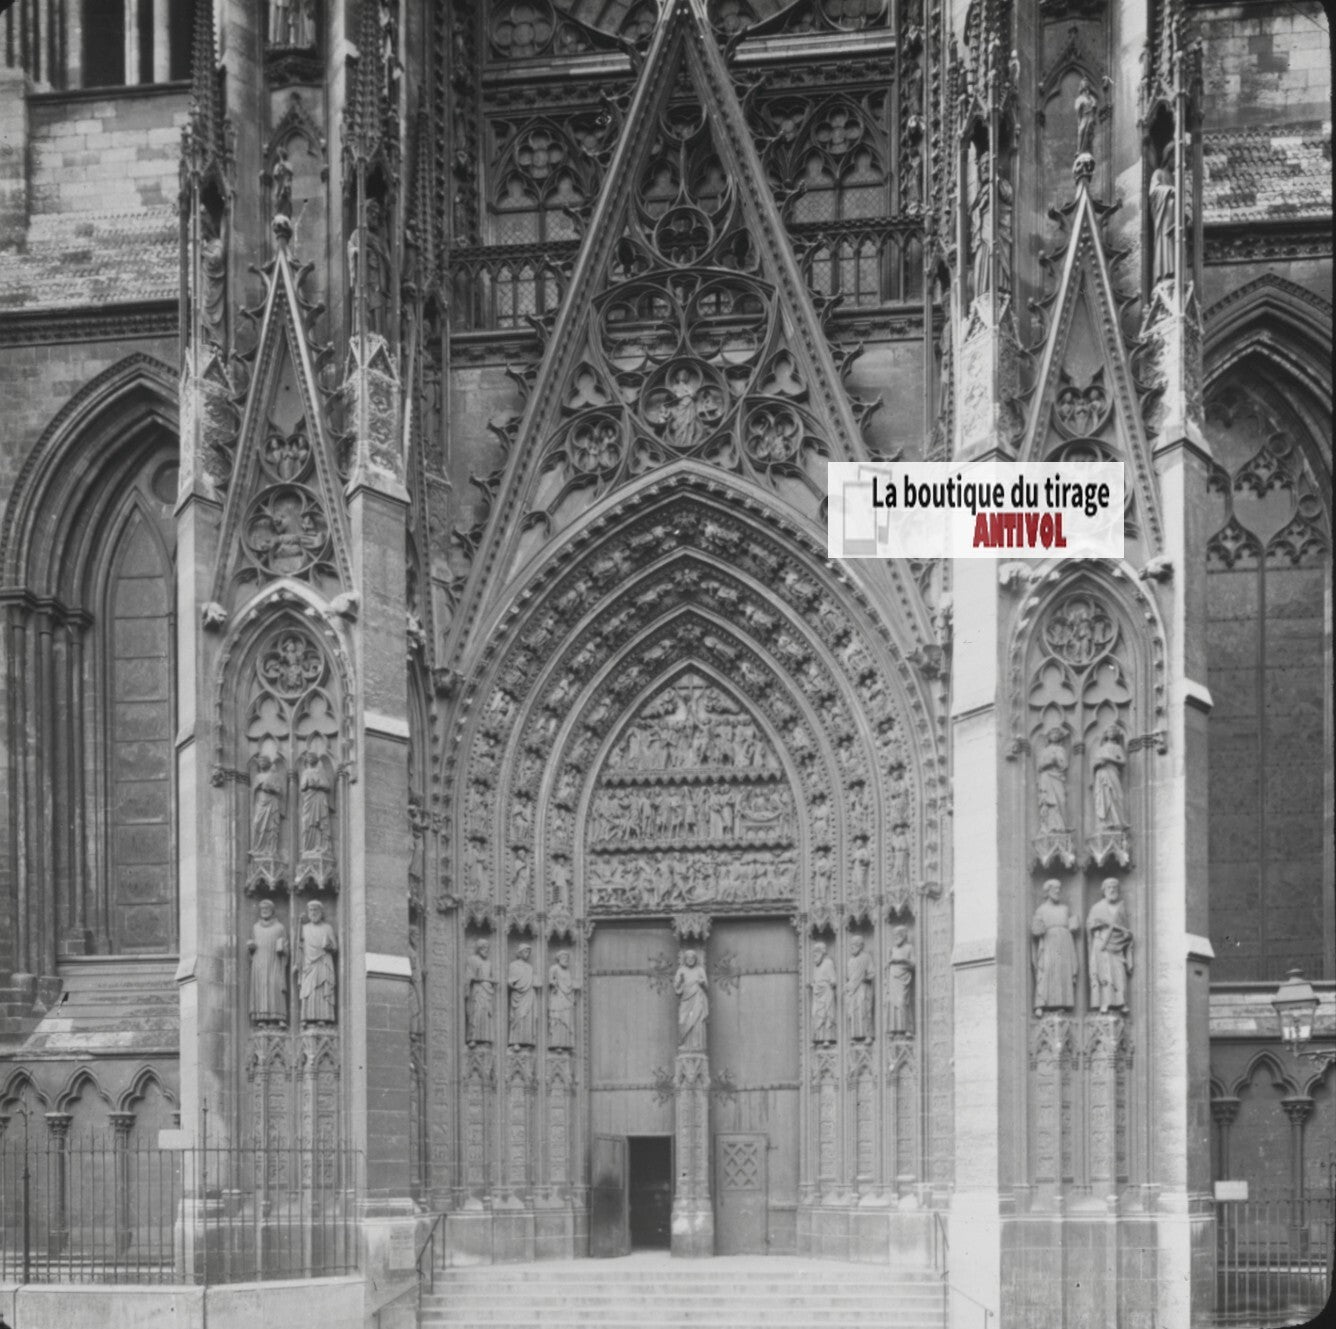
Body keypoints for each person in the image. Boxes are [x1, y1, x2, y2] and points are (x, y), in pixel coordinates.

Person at [1030, 879, 1079, 1016]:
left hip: (1065, 943)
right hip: (1049, 943)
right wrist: (1038, 929)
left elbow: (1070, 925)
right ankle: (1041, 1004)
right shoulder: (1041, 910)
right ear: (1047, 892)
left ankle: (1062, 1003)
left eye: (1059, 889)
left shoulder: (1065, 909)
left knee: (1063, 973)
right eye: (1054, 889)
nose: (1058, 891)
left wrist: (1073, 925)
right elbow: (1035, 929)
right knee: (1047, 971)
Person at [1087, 878, 1133, 1013]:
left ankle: (1121, 1002)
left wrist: (1127, 936)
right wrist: (1099, 924)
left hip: (1117, 945)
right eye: (1109, 888)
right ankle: (1104, 1002)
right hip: (1101, 942)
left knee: (1119, 973)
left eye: (1114, 887)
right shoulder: (1097, 908)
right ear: (1104, 891)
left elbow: (1125, 928)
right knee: (1104, 972)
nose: (1112, 890)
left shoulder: (1121, 908)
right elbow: (1090, 925)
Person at [296, 899, 337, 1024]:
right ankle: (306, 1018)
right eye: (311, 910)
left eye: (316, 910)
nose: (313, 913)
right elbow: (299, 947)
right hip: (309, 964)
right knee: (309, 991)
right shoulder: (304, 928)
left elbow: (335, 947)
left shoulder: (327, 928)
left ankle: (323, 1018)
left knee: (322, 989)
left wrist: (328, 947)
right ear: (308, 912)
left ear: (321, 912)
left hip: (323, 962)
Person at [247, 899, 288, 1025]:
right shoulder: (256, 927)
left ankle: (279, 1017)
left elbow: (286, 945)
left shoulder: (280, 927)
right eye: (262, 909)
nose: (264, 911)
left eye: (267, 909)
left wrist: (283, 948)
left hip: (275, 961)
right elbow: (251, 947)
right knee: (261, 988)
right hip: (259, 963)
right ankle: (262, 1018)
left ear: (272, 910)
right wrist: (251, 947)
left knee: (275, 986)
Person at [673, 949, 709, 1051]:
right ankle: (683, 1043)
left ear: (695, 959)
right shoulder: (681, 970)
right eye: (688, 958)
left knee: (697, 1021)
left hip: (697, 997)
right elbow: (676, 988)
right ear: (685, 959)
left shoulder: (700, 970)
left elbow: (706, 986)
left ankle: (697, 1045)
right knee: (682, 1021)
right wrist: (680, 982)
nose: (690, 959)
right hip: (685, 999)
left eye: (692, 957)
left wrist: (702, 983)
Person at [885, 926, 915, 1035]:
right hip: (893, 979)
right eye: (895, 936)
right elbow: (887, 965)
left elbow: (913, 964)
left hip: (903, 978)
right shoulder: (892, 949)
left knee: (902, 1002)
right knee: (892, 1003)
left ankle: (907, 1028)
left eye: (898, 936)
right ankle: (893, 1028)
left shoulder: (909, 948)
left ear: (903, 936)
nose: (896, 938)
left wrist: (901, 960)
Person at [845, 935, 874, 1041]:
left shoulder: (866, 957)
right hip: (852, 989)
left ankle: (867, 1035)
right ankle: (854, 1035)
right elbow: (849, 976)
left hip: (863, 987)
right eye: (851, 945)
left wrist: (865, 979)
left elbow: (871, 973)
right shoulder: (850, 961)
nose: (852, 947)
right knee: (853, 1011)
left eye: (855, 944)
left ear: (860, 946)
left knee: (863, 1010)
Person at [465, 940, 495, 1045]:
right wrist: (476, 978)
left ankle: (485, 1038)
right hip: (477, 990)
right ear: (478, 948)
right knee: (476, 1012)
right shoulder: (472, 960)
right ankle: (473, 1037)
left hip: (487, 991)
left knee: (486, 1014)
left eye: (487, 948)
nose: (485, 950)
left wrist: (490, 980)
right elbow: (469, 975)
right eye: (483, 948)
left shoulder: (489, 963)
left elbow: (491, 977)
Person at [508, 944, 537, 1047]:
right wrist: (513, 984)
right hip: (518, 995)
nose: (527, 954)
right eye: (525, 951)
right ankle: (516, 1041)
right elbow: (511, 981)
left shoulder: (529, 967)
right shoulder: (513, 965)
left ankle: (527, 1041)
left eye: (529, 952)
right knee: (518, 1016)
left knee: (528, 1017)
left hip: (528, 994)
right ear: (519, 953)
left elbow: (532, 981)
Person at [811, 941, 837, 1044]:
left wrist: (829, 984)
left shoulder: (828, 963)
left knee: (827, 1015)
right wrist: (813, 984)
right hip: (817, 994)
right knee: (816, 1014)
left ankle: (827, 1039)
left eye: (817, 952)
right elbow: (815, 979)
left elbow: (833, 979)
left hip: (826, 993)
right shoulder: (815, 966)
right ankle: (818, 1038)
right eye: (814, 952)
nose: (814, 954)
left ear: (822, 952)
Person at [548, 950, 575, 1049]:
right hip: (557, 997)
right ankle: (556, 1044)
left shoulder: (567, 971)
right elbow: (550, 980)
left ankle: (566, 1044)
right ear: (559, 959)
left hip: (566, 998)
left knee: (566, 1019)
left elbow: (569, 985)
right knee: (557, 1019)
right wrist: (553, 984)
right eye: (564, 958)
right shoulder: (554, 968)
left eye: (567, 959)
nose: (566, 960)